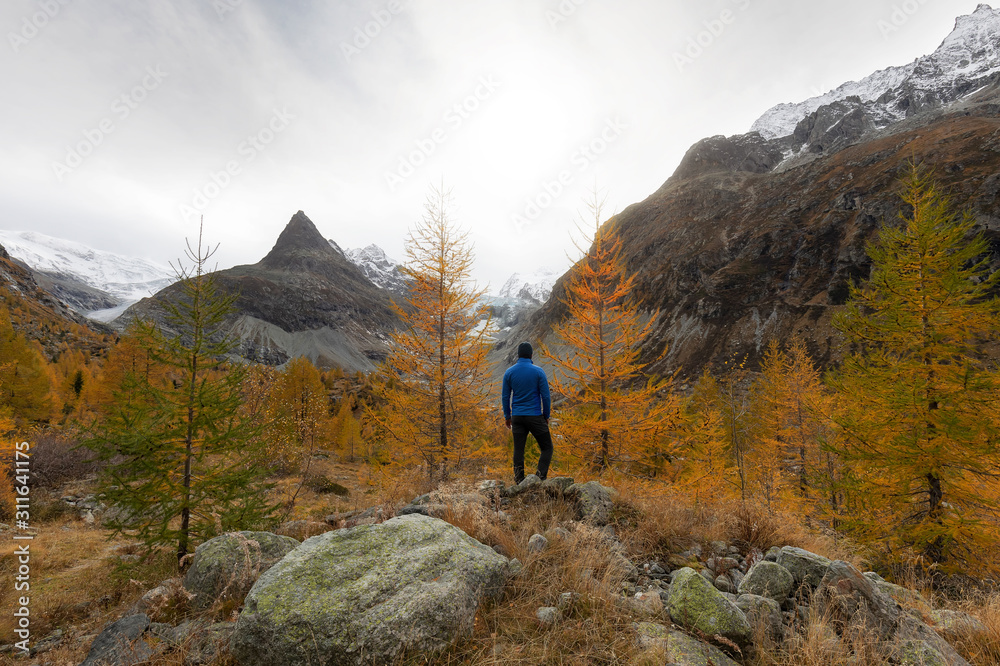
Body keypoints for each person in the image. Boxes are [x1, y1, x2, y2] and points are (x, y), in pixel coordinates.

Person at [501, 342, 553, 483]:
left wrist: (508, 416)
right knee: (547, 448)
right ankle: (539, 479)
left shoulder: (509, 372)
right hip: (535, 416)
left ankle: (519, 481)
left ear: (518, 355)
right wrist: (546, 415)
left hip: (517, 417)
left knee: (519, 450)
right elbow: (546, 396)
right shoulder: (538, 371)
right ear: (531, 355)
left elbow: (505, 397)